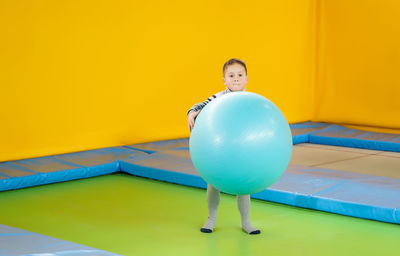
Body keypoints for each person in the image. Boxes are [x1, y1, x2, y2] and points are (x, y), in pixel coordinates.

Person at [187, 58, 261, 235]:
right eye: (231, 75)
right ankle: (211, 218)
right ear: (224, 80)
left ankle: (246, 222)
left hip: (242, 151)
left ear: (246, 79)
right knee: (213, 182)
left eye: (240, 75)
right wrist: (191, 112)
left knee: (244, 187)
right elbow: (199, 105)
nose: (236, 79)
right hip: (220, 150)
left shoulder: (251, 100)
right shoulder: (218, 98)